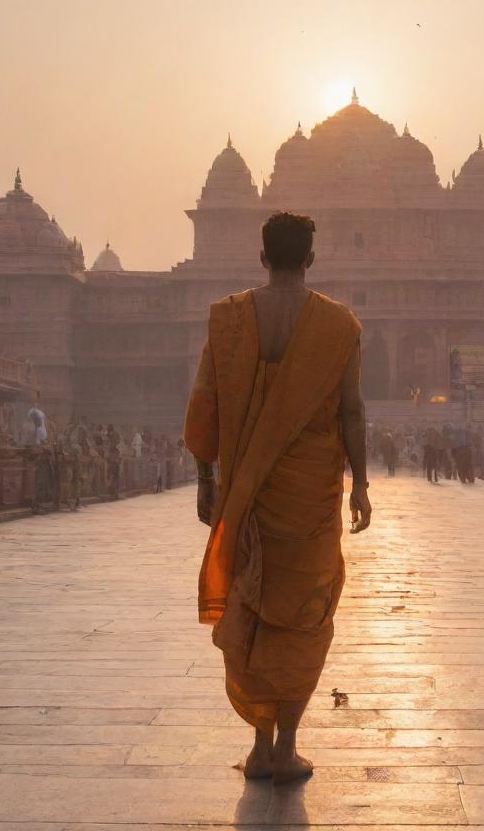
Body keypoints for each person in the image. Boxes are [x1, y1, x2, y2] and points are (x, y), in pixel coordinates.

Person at [184, 211, 370, 785]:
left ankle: (261, 743)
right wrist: (360, 482)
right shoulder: (339, 326)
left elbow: (204, 407)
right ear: (310, 259)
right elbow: (352, 410)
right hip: (311, 492)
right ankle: (286, 745)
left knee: (254, 604)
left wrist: (206, 478)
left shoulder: (230, 320)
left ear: (262, 257)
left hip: (247, 487)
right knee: (306, 612)